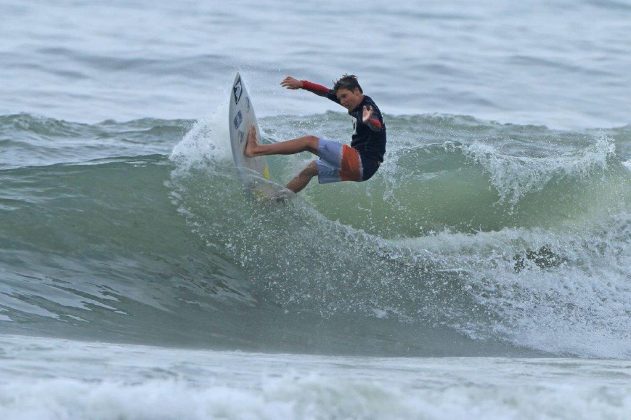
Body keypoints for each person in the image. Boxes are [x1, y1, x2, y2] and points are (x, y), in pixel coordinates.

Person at [244, 74, 386, 193]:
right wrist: (302, 84)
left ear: (356, 91)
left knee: (309, 141)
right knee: (310, 169)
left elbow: (377, 126)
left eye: (345, 96)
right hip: (365, 171)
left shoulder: (368, 108)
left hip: (362, 162)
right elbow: (324, 92)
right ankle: (277, 200)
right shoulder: (353, 101)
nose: (342, 102)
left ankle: (255, 150)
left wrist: (368, 121)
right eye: (340, 98)